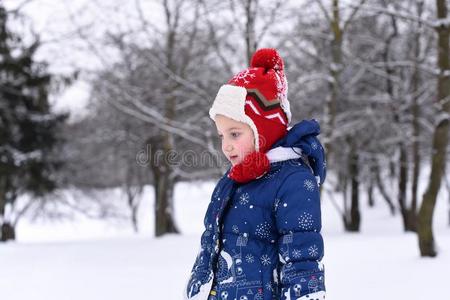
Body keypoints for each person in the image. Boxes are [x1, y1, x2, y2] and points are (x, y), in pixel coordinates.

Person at [184, 48, 326, 300]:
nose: (226, 145)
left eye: (235, 133)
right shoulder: (231, 182)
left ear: (264, 128)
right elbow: (210, 245)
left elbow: (302, 260)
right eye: (222, 136)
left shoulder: (293, 182)